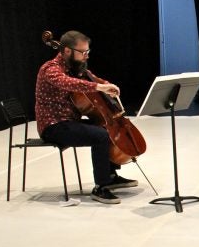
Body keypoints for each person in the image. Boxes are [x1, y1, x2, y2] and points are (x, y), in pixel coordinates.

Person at [35, 30, 138, 204]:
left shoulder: (73, 68)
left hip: (69, 122)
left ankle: (110, 175)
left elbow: (92, 78)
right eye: (83, 52)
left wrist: (105, 84)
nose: (86, 56)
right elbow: (67, 82)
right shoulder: (51, 69)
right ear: (67, 51)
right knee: (100, 136)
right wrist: (98, 87)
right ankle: (101, 187)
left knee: (105, 126)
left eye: (87, 52)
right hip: (53, 126)